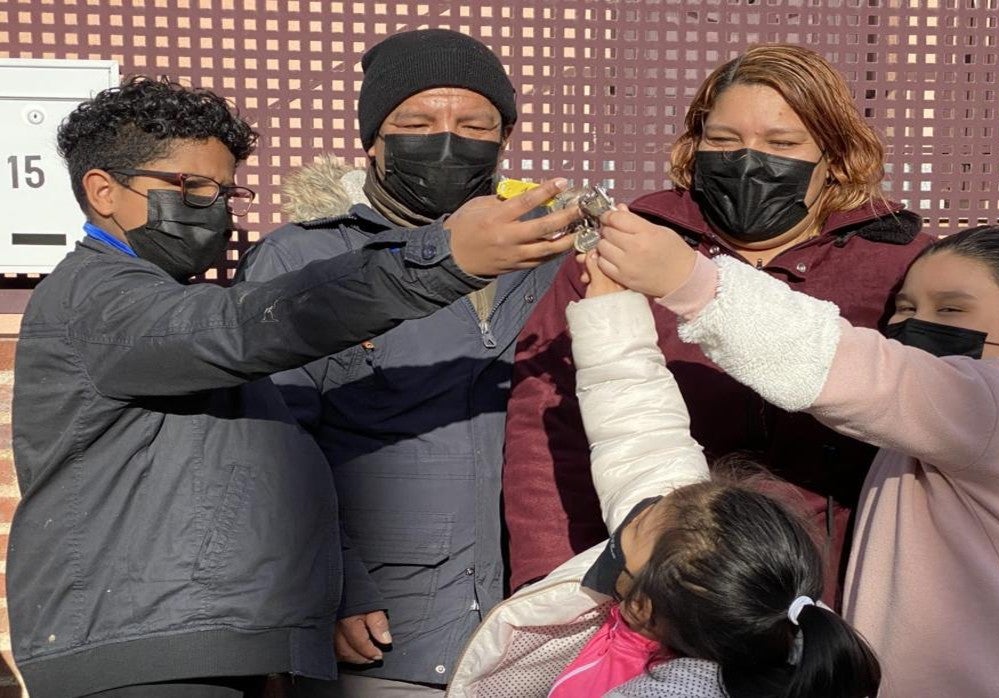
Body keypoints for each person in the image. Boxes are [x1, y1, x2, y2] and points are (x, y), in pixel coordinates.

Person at [502, 43, 999, 598]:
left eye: (781, 143)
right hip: (674, 592)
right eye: (723, 140)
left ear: (835, 156)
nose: (748, 160)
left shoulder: (902, 264)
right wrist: (552, 582)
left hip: (857, 593)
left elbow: (987, 382)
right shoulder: (631, 247)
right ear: (693, 144)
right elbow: (546, 423)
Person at [7, 76, 578, 698]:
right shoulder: (100, 301)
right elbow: (247, 325)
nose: (213, 209)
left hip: (193, 643)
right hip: (140, 653)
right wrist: (445, 260)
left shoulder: (147, 299)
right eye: (189, 188)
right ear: (103, 191)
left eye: (225, 191)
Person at [588, 219, 999, 696]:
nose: (913, 324)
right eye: (905, 307)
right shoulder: (951, 422)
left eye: (951, 308)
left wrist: (690, 280)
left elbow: (855, 369)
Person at [236, 29, 561, 697]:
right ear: (373, 142)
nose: (447, 140)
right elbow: (266, 442)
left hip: (535, 631)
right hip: (386, 634)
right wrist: (328, 579)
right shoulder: (305, 260)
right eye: (416, 122)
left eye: (475, 125)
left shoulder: (552, 260)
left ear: (504, 144)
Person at [445, 254, 880, 698]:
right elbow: (641, 431)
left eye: (623, 540)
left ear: (640, 607)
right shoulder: (750, 603)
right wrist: (610, 310)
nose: (638, 506)